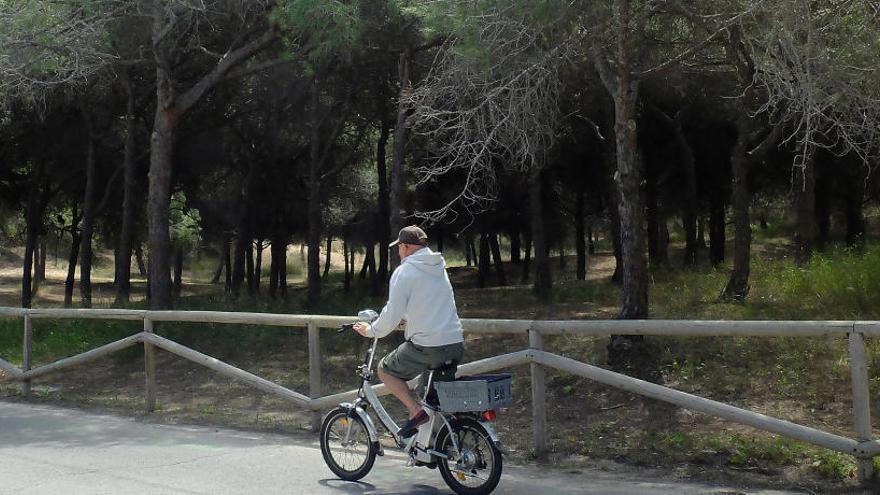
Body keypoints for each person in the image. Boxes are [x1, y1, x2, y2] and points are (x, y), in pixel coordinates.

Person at [353, 225, 464, 438]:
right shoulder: (439, 267)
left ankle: (415, 413)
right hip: (454, 342)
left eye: (399, 248)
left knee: (385, 370)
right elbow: (429, 303)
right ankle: (438, 443)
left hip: (429, 345)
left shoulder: (405, 271)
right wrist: (409, 319)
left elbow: (391, 312)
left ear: (405, 247)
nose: (398, 252)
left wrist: (371, 330)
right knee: (430, 396)